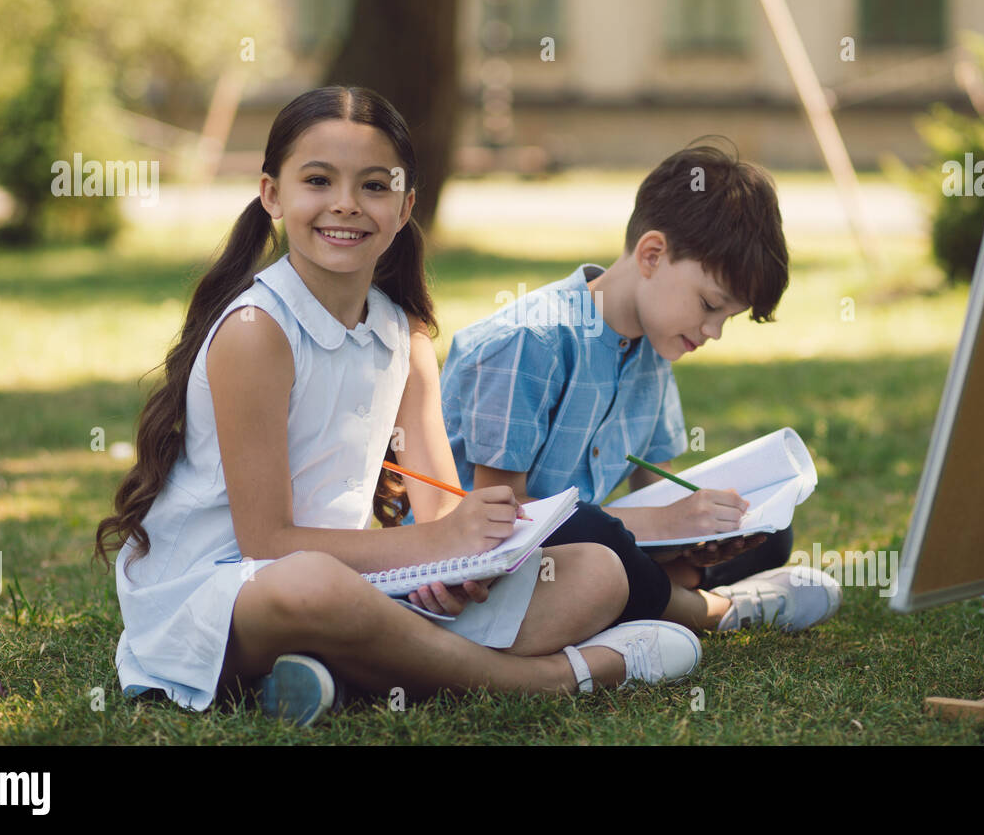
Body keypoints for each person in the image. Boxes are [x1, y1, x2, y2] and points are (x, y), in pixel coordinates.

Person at [92, 87, 701, 727]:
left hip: (360, 586)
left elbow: (439, 508)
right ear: (272, 194)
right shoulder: (256, 331)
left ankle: (334, 676)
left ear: (406, 205)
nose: (346, 205)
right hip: (228, 594)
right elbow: (267, 544)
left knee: (598, 573)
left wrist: (465, 569)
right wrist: (435, 542)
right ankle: (544, 680)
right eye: (318, 180)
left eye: (375, 186)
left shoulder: (402, 338)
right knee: (311, 584)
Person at [440, 139, 841, 635]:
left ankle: (666, 586)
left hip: (597, 551)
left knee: (767, 535)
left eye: (728, 319)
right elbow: (503, 520)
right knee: (592, 529)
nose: (713, 332)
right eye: (710, 305)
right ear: (652, 254)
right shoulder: (530, 341)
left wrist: (696, 533)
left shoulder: (653, 346)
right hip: (496, 563)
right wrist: (668, 524)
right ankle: (711, 610)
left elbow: (656, 491)